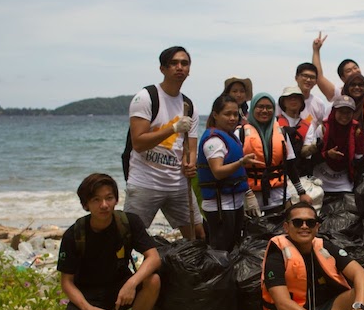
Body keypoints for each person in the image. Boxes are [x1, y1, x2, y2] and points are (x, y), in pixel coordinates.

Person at [58, 174, 160, 310]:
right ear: (86, 204)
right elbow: (66, 282)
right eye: (96, 200)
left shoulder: (128, 222)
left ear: (116, 199)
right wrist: (87, 309)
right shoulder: (74, 234)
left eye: (109, 198)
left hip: (121, 289)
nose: (104, 205)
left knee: (153, 280)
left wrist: (132, 283)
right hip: (88, 293)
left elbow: (154, 257)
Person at [124, 46, 204, 239]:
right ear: (162, 68)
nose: (179, 67)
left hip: (177, 184)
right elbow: (139, 143)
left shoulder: (189, 106)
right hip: (145, 182)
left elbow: (191, 148)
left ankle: (192, 269)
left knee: (198, 236)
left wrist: (190, 163)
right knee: (128, 237)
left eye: (184, 64)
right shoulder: (146, 98)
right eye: (173, 63)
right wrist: (173, 128)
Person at [197, 95, 257, 252]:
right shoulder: (214, 140)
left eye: (235, 114)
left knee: (234, 248)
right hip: (219, 206)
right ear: (215, 115)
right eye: (227, 114)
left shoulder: (230, 137)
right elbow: (217, 172)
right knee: (221, 251)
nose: (232, 118)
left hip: (234, 203)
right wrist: (241, 162)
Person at [241, 93, 312, 214]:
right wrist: (247, 194)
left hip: (280, 198)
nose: (264, 110)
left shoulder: (282, 133)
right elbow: (237, 169)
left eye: (269, 107)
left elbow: (290, 166)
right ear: (252, 108)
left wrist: (301, 193)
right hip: (252, 200)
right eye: (260, 107)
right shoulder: (241, 134)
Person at [311, 96, 364, 195]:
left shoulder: (356, 131)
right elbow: (311, 159)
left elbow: (358, 159)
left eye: (348, 112)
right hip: (320, 182)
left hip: (344, 184)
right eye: (341, 112)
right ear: (334, 111)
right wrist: (327, 154)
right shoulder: (322, 129)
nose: (344, 115)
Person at [277, 85, 318, 175]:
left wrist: (315, 147)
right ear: (283, 102)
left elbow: (305, 153)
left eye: (296, 98)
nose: (293, 100)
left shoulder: (308, 126)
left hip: (300, 172)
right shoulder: (275, 122)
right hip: (278, 171)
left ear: (302, 103)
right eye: (289, 98)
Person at [293, 62, 329, 130]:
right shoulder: (286, 100)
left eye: (312, 77)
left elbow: (322, 127)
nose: (308, 80)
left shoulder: (318, 103)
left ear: (316, 81)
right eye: (305, 76)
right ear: (296, 78)